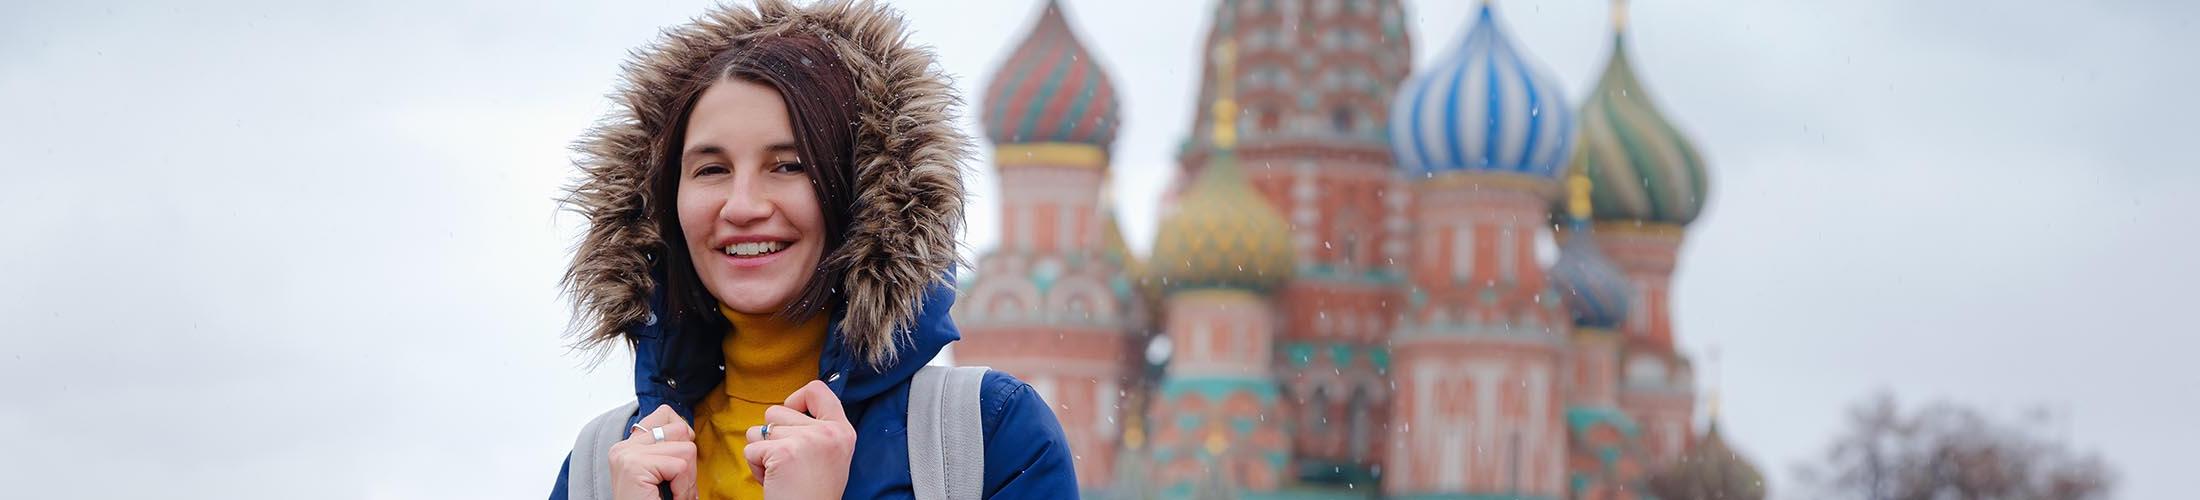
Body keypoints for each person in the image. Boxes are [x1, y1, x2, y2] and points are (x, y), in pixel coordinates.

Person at [546, 1, 1077, 499]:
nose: (743, 205)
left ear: (861, 193)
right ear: (666, 204)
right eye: (712, 169)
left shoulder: (983, 438)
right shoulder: (604, 470)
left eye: (788, 165)